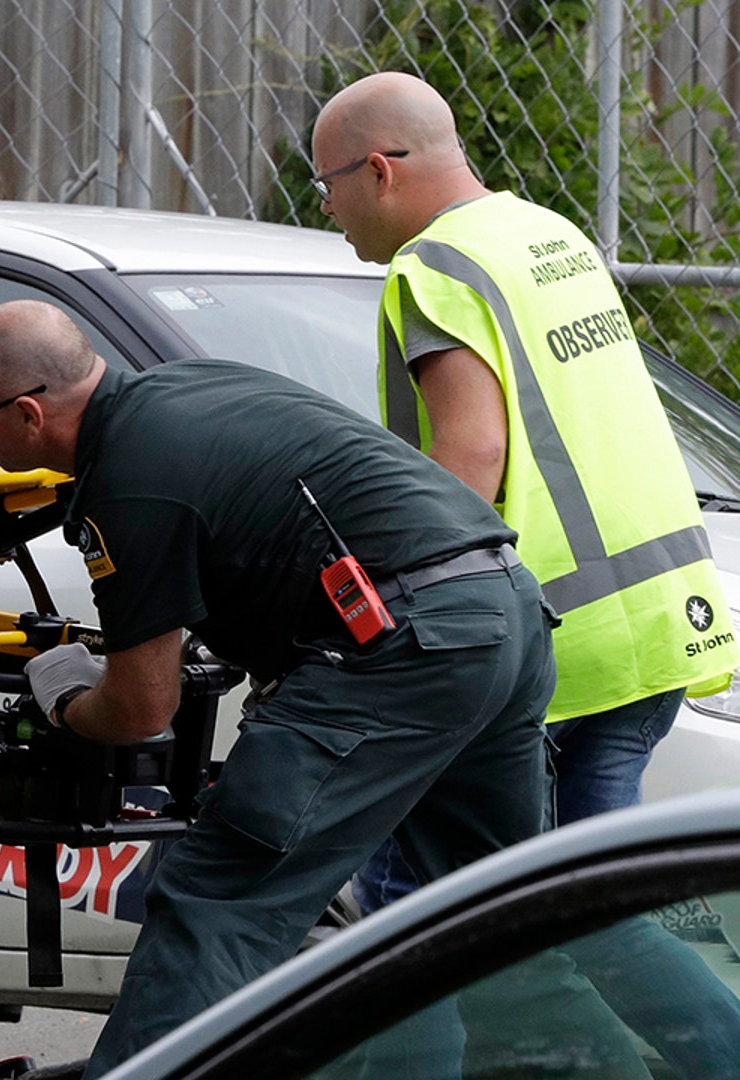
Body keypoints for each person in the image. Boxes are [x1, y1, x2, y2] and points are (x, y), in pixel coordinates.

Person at [0, 300, 557, 1071]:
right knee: (512, 913)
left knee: (218, 902)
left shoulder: (129, 484)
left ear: (29, 414)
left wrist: (67, 697)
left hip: (403, 649)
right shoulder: (197, 385)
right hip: (504, 610)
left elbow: (141, 708)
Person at [311, 74, 737, 881]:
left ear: (378, 170)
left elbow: (472, 453)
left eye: (326, 184)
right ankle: (680, 1012)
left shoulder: (434, 269)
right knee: (589, 907)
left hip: (548, 644)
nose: (326, 208)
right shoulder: (546, 234)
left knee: (422, 902)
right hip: (653, 625)